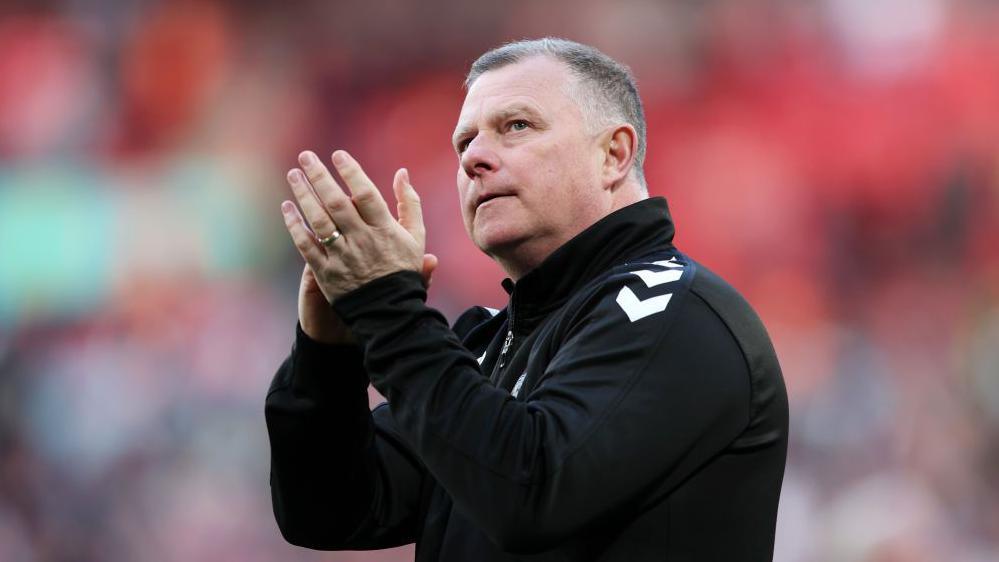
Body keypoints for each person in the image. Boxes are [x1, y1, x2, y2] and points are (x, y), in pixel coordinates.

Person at [265, 38, 788, 561]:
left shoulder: (675, 312)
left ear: (614, 154)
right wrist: (328, 355)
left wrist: (390, 312)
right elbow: (331, 510)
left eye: (516, 126)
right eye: (463, 143)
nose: (474, 159)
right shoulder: (491, 343)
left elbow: (531, 492)